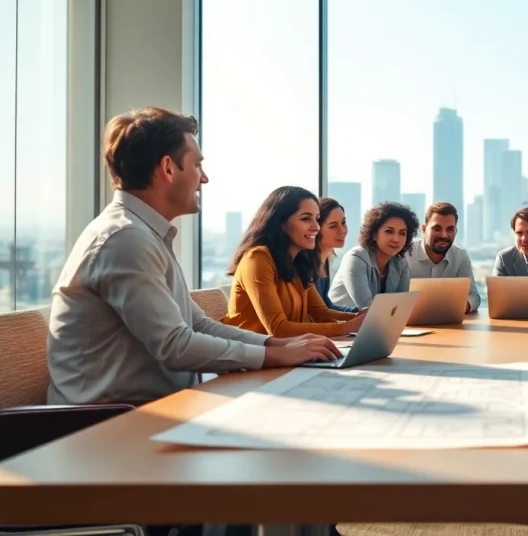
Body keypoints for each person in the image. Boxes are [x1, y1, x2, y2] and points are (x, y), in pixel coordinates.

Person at [47, 108, 341, 406]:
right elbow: (175, 345)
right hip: (104, 424)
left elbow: (197, 325)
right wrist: (274, 354)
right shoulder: (124, 239)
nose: (205, 178)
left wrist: (277, 344)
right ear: (168, 168)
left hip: (158, 408)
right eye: (197, 165)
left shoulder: (146, 235)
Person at [221, 187, 365, 338]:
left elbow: (320, 313)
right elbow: (278, 329)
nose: (316, 227)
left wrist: (360, 318)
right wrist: (348, 327)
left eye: (316, 218)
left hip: (289, 351)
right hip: (251, 354)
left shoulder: (298, 261)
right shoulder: (257, 258)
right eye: (305, 219)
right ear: (281, 223)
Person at [329, 201, 417, 308]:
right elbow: (366, 307)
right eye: (389, 231)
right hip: (342, 322)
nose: (396, 239)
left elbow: (401, 305)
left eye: (402, 233)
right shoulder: (356, 257)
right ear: (374, 234)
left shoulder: (400, 262)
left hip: (376, 323)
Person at [407, 202, 481, 313]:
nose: (444, 235)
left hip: (449, 324)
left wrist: (453, 308)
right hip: (410, 325)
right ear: (423, 229)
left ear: (456, 231)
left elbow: (473, 296)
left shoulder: (460, 256)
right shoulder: (405, 254)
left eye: (450, 229)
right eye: (437, 228)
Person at [314, 197, 358, 313]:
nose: (342, 230)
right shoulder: (308, 265)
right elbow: (319, 312)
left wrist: (358, 312)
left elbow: (327, 305)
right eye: (333, 226)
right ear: (316, 229)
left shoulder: (324, 260)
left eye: (343, 222)